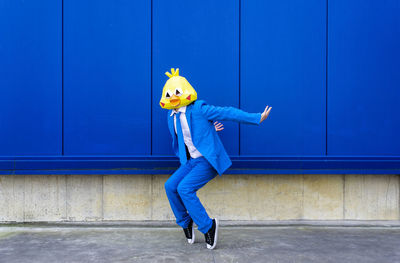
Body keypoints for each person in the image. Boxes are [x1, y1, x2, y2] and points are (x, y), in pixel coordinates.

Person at [159, 68, 272, 249]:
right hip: (191, 162)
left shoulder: (200, 109)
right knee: (170, 186)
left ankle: (208, 226)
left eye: (177, 93)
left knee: (185, 188)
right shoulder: (171, 115)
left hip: (207, 160)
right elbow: (187, 136)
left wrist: (257, 117)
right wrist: (209, 131)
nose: (173, 96)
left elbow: (227, 113)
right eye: (169, 94)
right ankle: (185, 222)